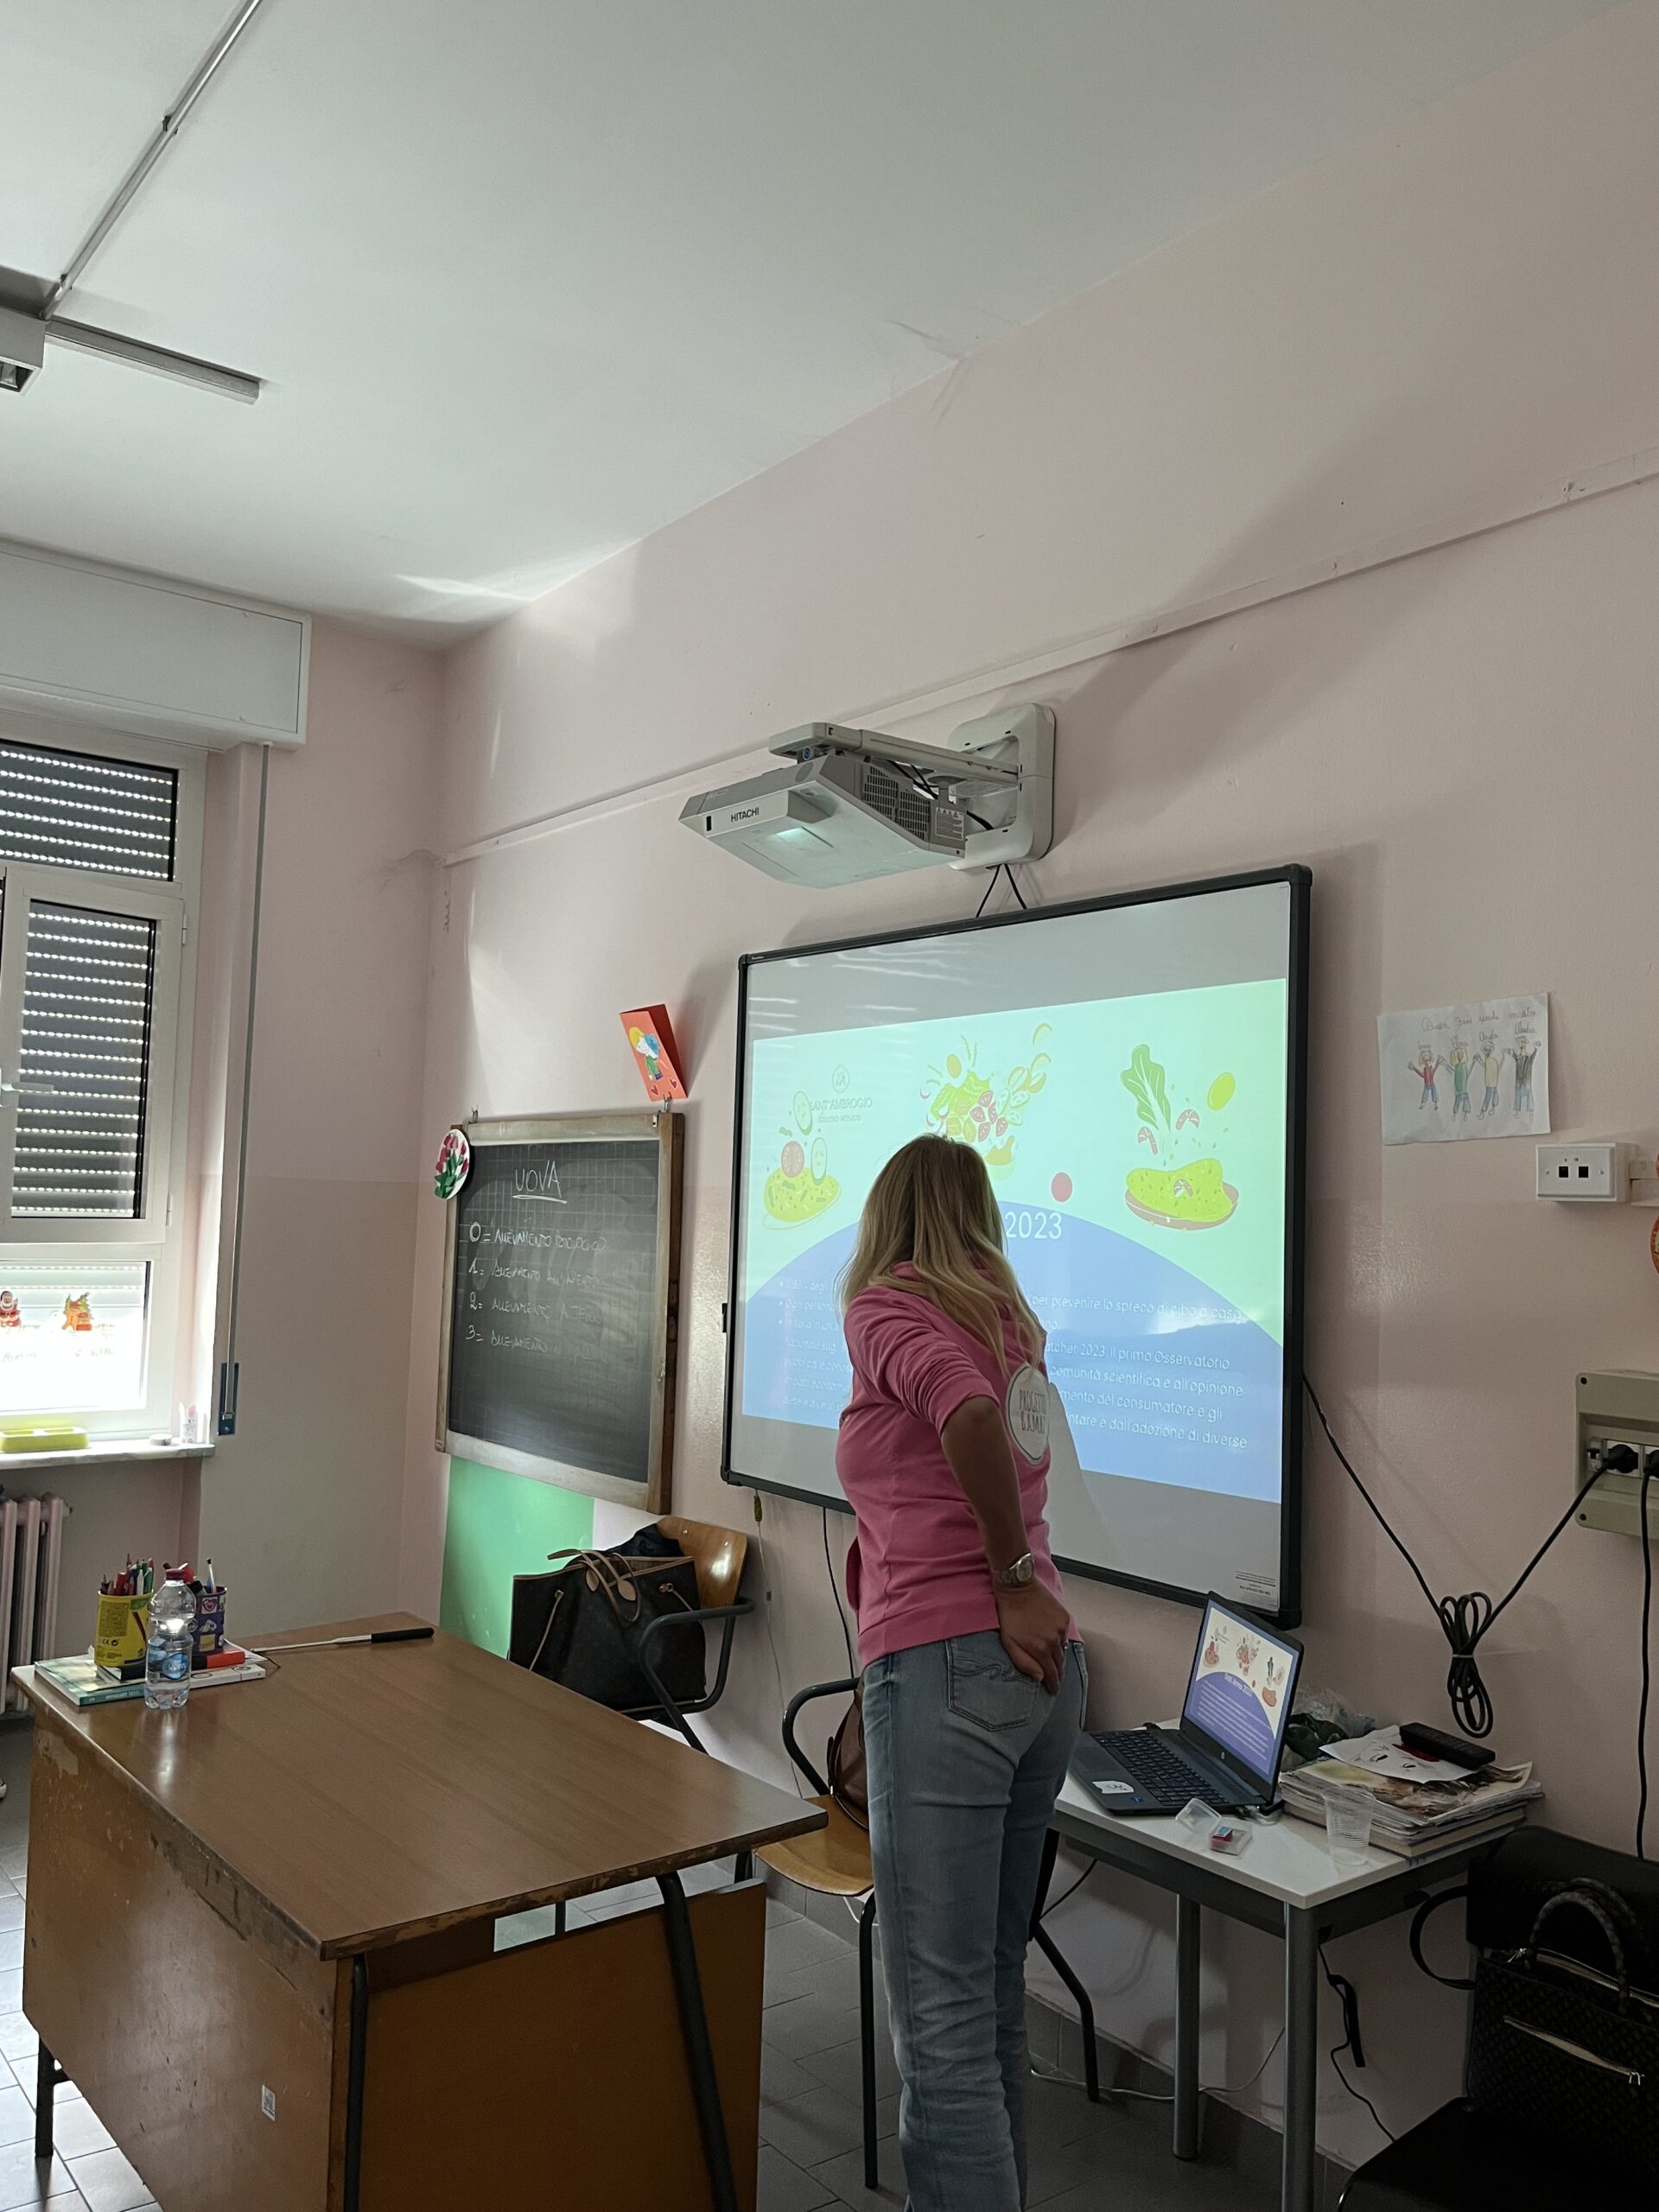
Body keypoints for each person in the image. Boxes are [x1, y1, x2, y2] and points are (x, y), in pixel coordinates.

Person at [836, 1134, 1084, 2212]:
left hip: (948, 1671)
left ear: (890, 1214)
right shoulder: (1006, 1319)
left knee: (937, 2024)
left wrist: (1012, 1576)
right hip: (1040, 1682)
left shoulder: (886, 1305)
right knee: (984, 1998)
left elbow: (967, 1415)